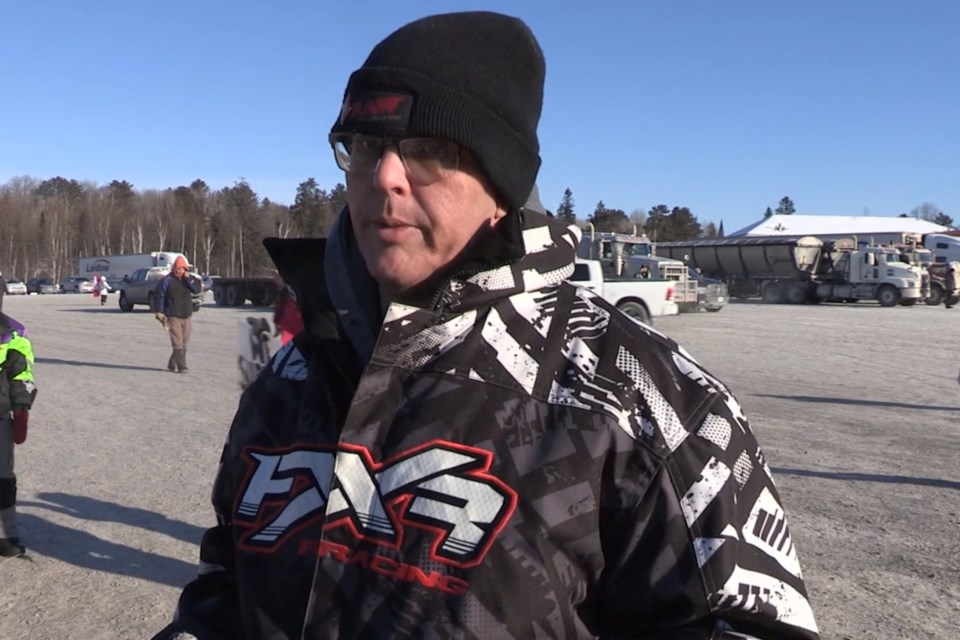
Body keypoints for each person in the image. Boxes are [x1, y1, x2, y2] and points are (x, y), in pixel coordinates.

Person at [155, 11, 819, 639]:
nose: (385, 174)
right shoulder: (291, 377)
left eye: (428, 149)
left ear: (502, 184)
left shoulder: (641, 400)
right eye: (364, 145)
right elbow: (229, 581)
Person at [0, 311, 37, 558]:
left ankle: (8, 534)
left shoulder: (11, 334)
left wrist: (21, 408)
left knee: (2, 476)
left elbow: (21, 375)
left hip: (0, 416)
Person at [154, 256, 202, 373]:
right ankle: (182, 366)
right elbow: (160, 296)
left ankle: (172, 363)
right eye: (177, 268)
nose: (178, 271)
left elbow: (197, 289)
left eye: (181, 268)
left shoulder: (189, 280)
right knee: (177, 341)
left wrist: (188, 278)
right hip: (173, 314)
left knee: (184, 341)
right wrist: (159, 311)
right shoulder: (167, 280)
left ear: (185, 269)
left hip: (186, 314)